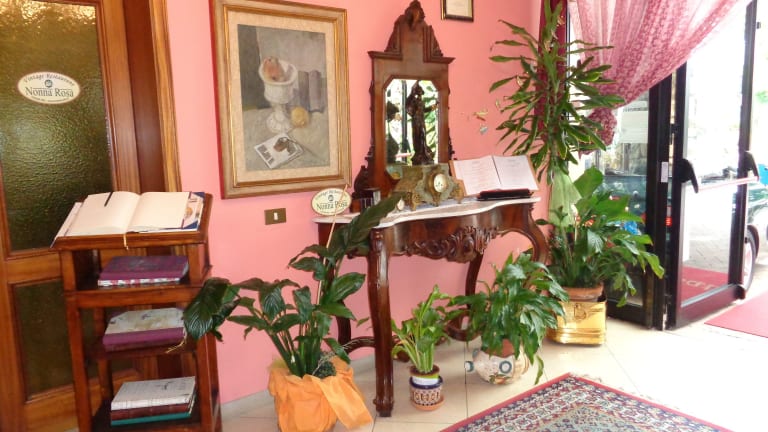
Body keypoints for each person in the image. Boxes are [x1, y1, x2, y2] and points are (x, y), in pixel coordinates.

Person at [405, 82, 435, 165]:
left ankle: (423, 152)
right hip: (416, 121)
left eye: (421, 91)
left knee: (423, 135)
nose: (420, 92)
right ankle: (419, 153)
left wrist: (432, 107)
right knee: (417, 136)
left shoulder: (422, 101)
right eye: (419, 91)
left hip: (422, 121)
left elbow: (424, 110)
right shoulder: (413, 101)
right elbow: (409, 106)